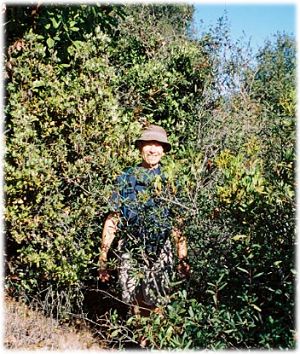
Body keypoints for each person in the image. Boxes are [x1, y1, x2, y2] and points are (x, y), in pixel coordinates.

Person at [98, 124, 190, 315]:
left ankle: (155, 342)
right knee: (133, 302)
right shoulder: (125, 178)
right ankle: (140, 342)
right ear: (140, 147)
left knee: (158, 302)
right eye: (149, 143)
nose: (153, 149)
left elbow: (177, 224)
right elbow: (112, 220)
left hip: (161, 249)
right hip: (131, 247)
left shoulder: (171, 180)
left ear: (164, 150)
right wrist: (103, 258)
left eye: (158, 144)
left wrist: (182, 257)